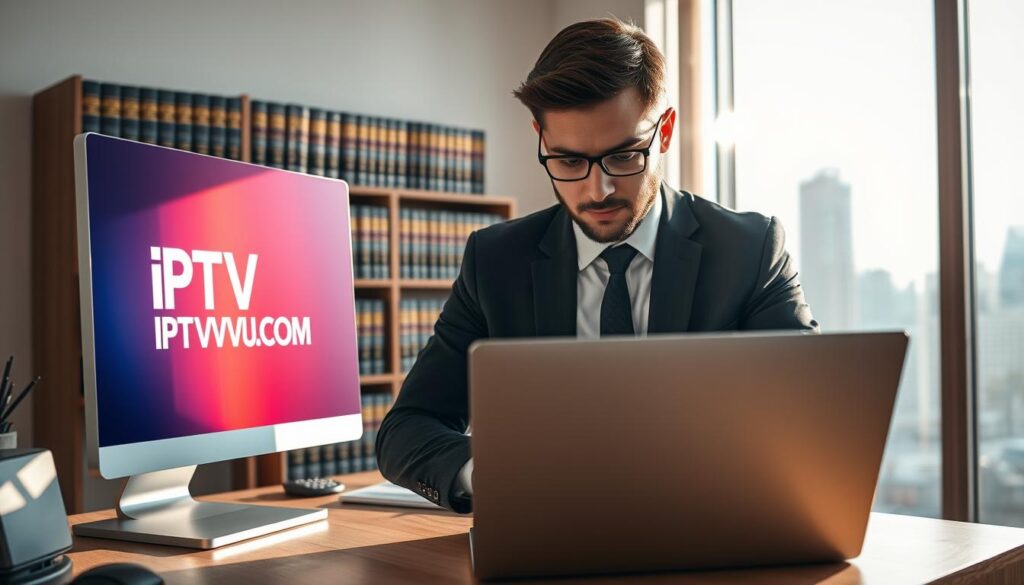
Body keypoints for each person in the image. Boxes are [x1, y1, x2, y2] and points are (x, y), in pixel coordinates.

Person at [376, 17, 818, 513]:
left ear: (665, 131)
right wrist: (498, 474)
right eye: (568, 162)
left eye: (624, 156)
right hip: (548, 538)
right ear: (540, 137)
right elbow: (404, 431)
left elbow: (807, 425)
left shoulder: (751, 250)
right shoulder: (495, 262)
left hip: (711, 529)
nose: (597, 190)